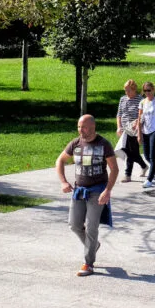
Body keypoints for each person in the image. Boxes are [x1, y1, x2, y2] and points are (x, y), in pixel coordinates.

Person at [56, 114, 117, 277]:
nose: (80, 130)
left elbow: (114, 169)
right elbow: (60, 161)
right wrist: (63, 182)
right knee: (74, 224)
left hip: (97, 191)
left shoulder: (104, 144)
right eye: (78, 127)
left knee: (91, 226)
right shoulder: (75, 144)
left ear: (92, 127)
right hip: (79, 191)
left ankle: (88, 263)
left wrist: (107, 190)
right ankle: (93, 245)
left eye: (83, 127)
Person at [116, 79, 148, 182]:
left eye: (129, 90)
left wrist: (137, 124)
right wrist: (119, 126)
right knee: (129, 151)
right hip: (125, 129)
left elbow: (144, 115)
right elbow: (119, 114)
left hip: (135, 130)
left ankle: (127, 175)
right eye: (125, 90)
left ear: (134, 90)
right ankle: (144, 166)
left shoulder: (140, 100)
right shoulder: (123, 99)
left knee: (129, 152)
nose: (127, 93)